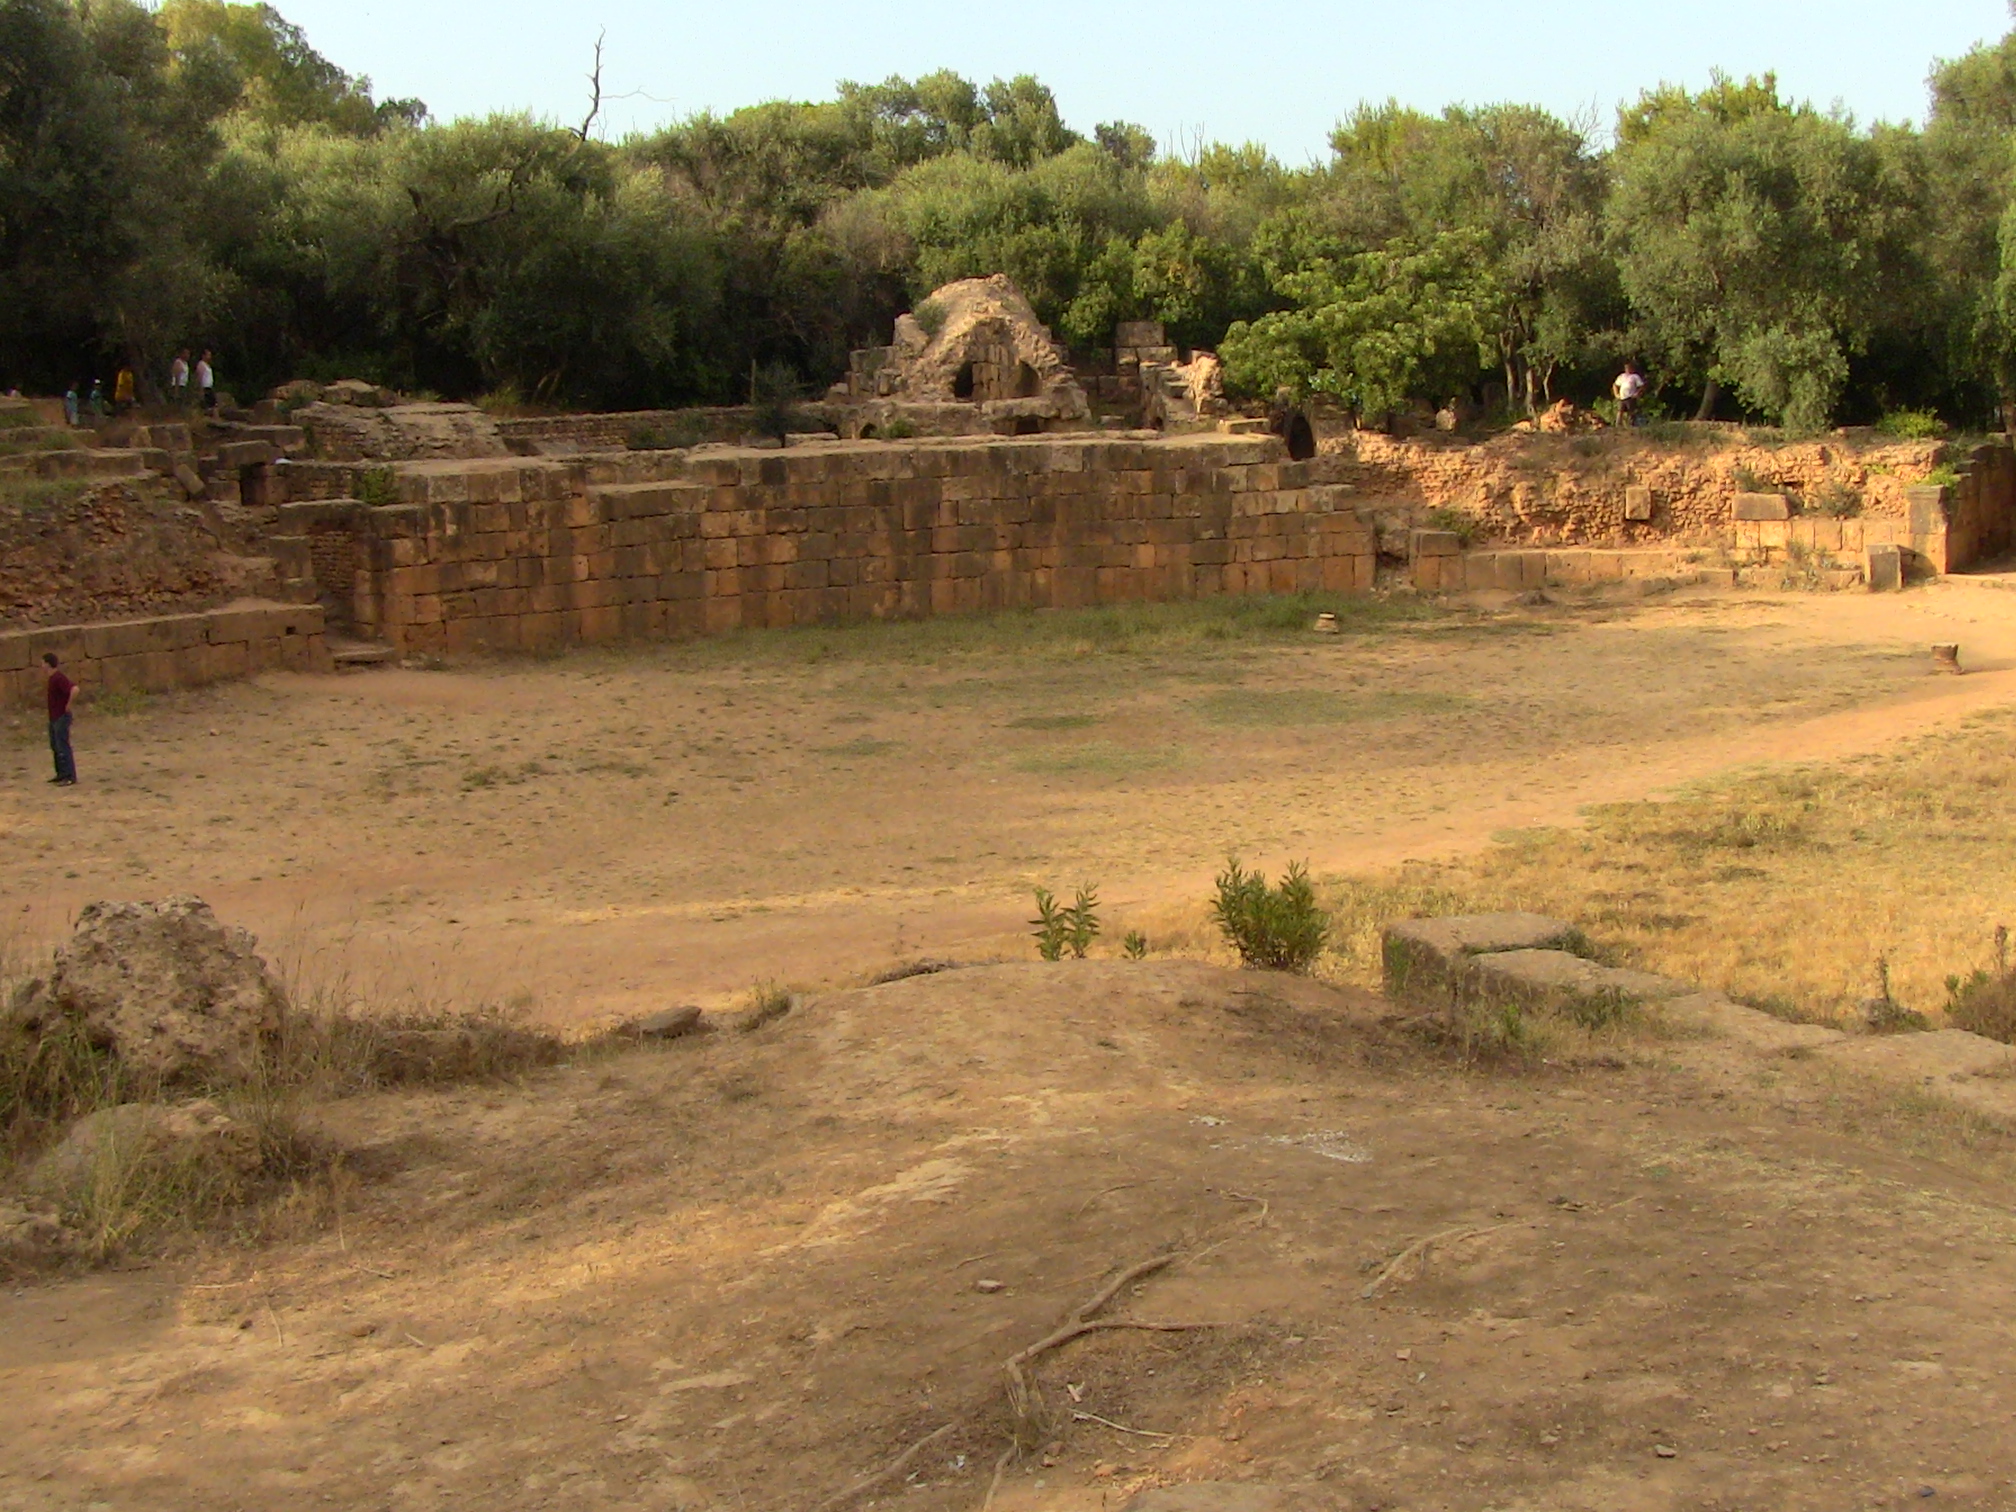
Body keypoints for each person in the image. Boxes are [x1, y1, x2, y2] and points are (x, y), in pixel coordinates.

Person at [43, 653, 77, 786]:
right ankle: (61, 774)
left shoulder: (58, 678)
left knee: (62, 745)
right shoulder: (52, 678)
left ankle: (69, 776)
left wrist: (69, 705)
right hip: (54, 717)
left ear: (47, 663)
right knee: (55, 746)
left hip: (61, 717)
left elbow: (74, 689)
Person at [1613, 362, 1646, 428]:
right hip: (1622, 397)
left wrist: (1637, 393)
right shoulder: (1622, 376)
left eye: (1629, 368)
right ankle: (1618, 425)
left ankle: (1631, 425)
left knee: (1631, 411)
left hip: (1630, 396)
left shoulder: (1635, 376)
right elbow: (1615, 385)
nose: (1627, 369)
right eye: (1626, 368)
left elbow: (1642, 386)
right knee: (1620, 411)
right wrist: (1616, 394)